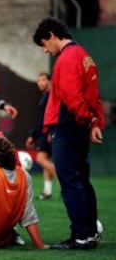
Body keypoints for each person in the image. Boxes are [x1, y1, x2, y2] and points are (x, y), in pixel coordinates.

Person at [33, 17, 105, 250]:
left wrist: (86, 119)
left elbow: (72, 97)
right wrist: (95, 121)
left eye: (44, 43)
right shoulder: (85, 56)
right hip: (80, 127)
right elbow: (93, 96)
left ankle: (81, 235)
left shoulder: (65, 59)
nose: (45, 49)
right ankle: (90, 233)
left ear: (53, 35)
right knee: (82, 180)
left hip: (67, 125)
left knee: (70, 182)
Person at [25, 72, 57, 200]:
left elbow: (50, 116)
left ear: (50, 81)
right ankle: (47, 191)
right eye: (39, 81)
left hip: (48, 132)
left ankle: (64, 184)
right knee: (46, 161)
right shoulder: (45, 96)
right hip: (44, 132)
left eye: (43, 80)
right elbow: (41, 119)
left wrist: (51, 131)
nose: (41, 83)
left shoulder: (52, 96)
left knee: (41, 159)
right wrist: (34, 135)